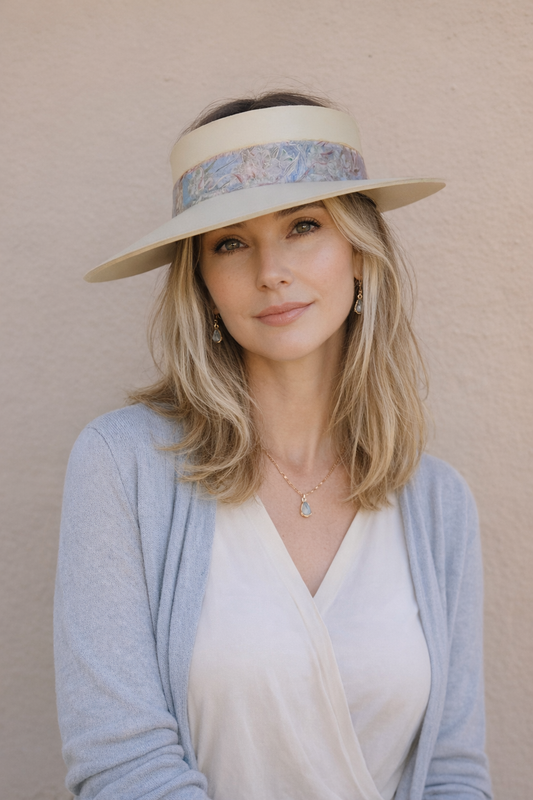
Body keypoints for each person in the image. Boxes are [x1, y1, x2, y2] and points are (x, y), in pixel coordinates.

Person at [54, 91, 493, 800]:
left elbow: (452, 771)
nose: (270, 271)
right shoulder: (121, 465)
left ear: (358, 253)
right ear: (201, 281)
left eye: (302, 227)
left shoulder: (438, 504)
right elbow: (120, 761)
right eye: (230, 240)